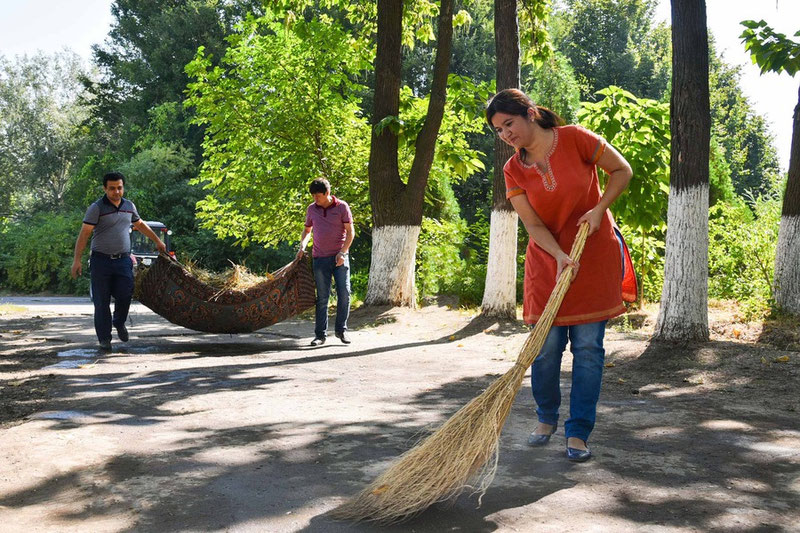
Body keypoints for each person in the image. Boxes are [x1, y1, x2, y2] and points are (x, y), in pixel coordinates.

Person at [487, 88, 633, 463]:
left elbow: (622, 170)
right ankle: (546, 418)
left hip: (592, 254)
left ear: (530, 113)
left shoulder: (576, 138)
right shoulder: (512, 169)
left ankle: (579, 431)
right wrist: (557, 254)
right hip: (548, 262)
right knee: (546, 350)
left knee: (588, 350)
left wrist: (600, 209)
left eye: (509, 124)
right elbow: (532, 224)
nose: (506, 135)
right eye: (499, 131)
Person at [70, 172, 166, 351]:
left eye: (119, 188)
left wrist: (157, 240)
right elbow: (84, 234)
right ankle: (104, 339)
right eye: (112, 188)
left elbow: (139, 224)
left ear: (123, 187)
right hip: (101, 262)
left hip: (123, 260)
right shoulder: (96, 208)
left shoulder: (129, 206)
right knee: (101, 302)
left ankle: (119, 321)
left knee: (125, 294)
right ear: (105, 189)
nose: (116, 192)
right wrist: (77, 260)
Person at [296, 178, 354, 346]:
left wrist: (343, 252)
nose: (316, 199)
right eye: (313, 196)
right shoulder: (312, 209)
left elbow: (350, 232)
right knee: (322, 297)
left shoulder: (342, 207)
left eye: (318, 196)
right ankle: (320, 335)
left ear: (327, 193)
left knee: (344, 293)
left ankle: (341, 330)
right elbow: (307, 230)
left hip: (339, 257)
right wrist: (302, 246)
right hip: (320, 258)